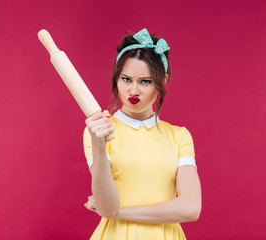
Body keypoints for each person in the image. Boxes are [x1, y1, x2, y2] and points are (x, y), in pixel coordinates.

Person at [83, 28, 202, 240]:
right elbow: (107, 204)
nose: (133, 90)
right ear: (116, 79)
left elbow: (191, 208)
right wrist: (98, 144)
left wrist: (120, 213)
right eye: (126, 79)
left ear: (162, 80)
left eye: (145, 81)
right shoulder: (98, 131)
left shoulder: (179, 136)